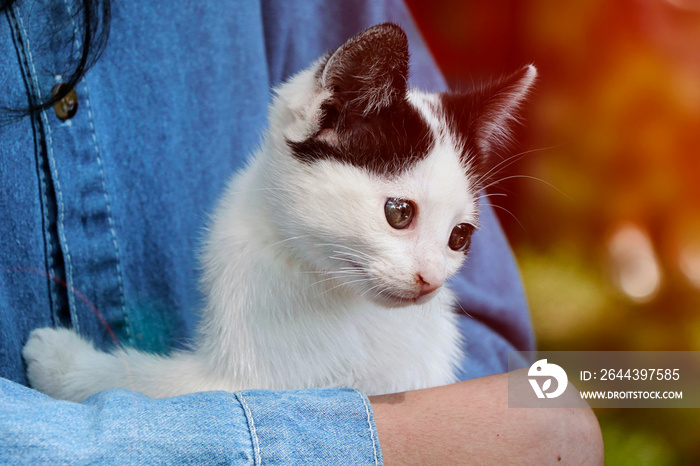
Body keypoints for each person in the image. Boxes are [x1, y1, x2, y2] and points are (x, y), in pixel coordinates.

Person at [0, 0, 603, 463]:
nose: (431, 276)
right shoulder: (259, 243)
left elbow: (501, 360)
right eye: (400, 214)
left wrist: (87, 379)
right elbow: (237, 401)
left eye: (457, 238)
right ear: (325, 113)